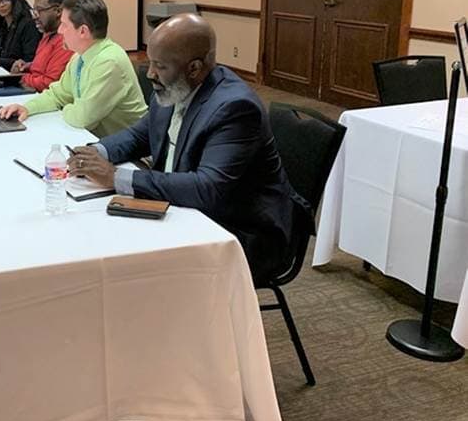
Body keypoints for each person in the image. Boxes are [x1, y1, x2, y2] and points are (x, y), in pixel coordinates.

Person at [67, 14, 309, 282]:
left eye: (159, 66)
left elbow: (208, 188)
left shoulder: (235, 108)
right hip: (186, 207)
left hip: (241, 231)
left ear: (194, 68)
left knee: (127, 265)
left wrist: (115, 176)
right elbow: (140, 135)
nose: (150, 74)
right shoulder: (172, 87)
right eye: (150, 62)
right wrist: (95, 154)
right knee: (97, 237)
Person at [0, 0, 147, 137]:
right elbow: (57, 95)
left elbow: (82, 118)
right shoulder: (79, 56)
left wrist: (66, 107)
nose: (59, 30)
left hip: (128, 153)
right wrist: (27, 108)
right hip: (94, 139)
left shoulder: (109, 62)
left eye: (64, 25)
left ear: (83, 31)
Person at [10, 0, 74, 92]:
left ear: (58, 11)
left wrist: (19, 77)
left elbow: (50, 83)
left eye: (39, 10)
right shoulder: (48, 34)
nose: (35, 16)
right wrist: (27, 66)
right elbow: (42, 69)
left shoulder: (66, 41)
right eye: (34, 11)